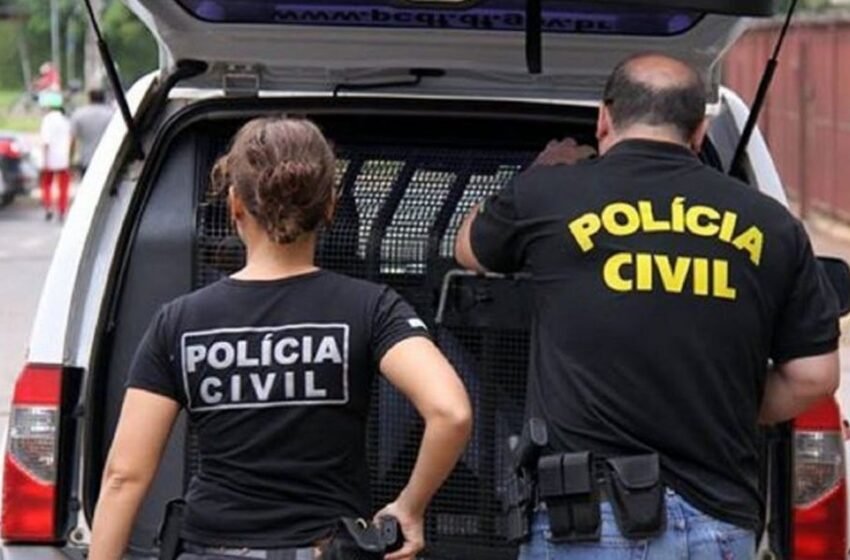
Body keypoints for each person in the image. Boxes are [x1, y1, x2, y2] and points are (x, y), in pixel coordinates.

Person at [455, 53, 840, 559]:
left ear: (604, 119)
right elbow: (815, 376)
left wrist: (541, 171)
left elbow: (468, 249)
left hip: (588, 525)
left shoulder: (546, 194)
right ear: (700, 132)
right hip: (718, 524)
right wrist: (728, 399)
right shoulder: (772, 223)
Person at [89, 117, 472, 560]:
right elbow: (451, 412)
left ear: (235, 205)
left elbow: (124, 477)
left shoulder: (178, 321)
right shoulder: (372, 307)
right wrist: (410, 506)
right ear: (330, 207)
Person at [38, 91, 72, 222]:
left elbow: (46, 142)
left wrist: (44, 160)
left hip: (50, 158)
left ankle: (48, 207)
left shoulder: (47, 120)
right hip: (63, 159)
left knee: (46, 184)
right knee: (63, 186)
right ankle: (62, 210)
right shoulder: (65, 120)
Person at [71, 89, 113, 176]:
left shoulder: (79, 114)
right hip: (107, 159)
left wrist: (70, 158)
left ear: (89, 98)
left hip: (86, 159)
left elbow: (73, 139)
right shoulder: (112, 114)